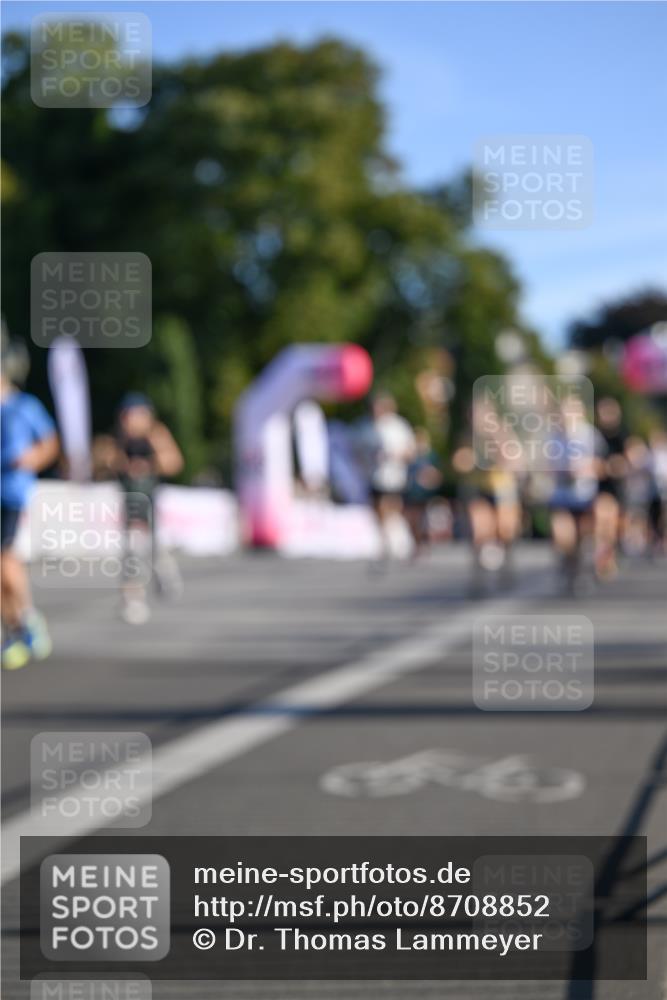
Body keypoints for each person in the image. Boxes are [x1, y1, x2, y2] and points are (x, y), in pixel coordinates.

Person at [1, 332, 59, 669]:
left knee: (6, 560)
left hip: (11, 493)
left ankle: (28, 618)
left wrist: (32, 459)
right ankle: (14, 630)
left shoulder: (24, 406)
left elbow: (50, 444)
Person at [113, 393, 184, 623]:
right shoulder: (120, 439)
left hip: (150, 500)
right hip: (130, 501)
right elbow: (105, 461)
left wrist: (149, 465)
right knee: (132, 550)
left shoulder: (156, 434)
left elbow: (174, 462)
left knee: (155, 547)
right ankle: (133, 599)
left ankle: (164, 574)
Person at [548, 394, 603, 593]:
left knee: (582, 538)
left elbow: (601, 464)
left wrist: (585, 468)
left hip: (583, 492)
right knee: (564, 536)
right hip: (561, 493)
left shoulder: (590, 434)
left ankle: (579, 571)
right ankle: (565, 563)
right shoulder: (553, 435)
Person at [362, 392, 416, 562]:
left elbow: (411, 451)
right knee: (378, 512)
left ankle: (400, 542)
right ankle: (385, 541)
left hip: (394, 476)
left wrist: (395, 456)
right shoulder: (366, 426)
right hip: (373, 476)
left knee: (390, 508)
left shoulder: (399, 426)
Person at [593, 397, 627, 580]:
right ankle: (601, 557)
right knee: (601, 520)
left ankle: (608, 555)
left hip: (616, 489)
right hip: (598, 489)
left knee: (612, 527)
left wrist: (608, 467)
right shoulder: (595, 435)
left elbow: (624, 464)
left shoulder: (622, 436)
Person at [403, 428, 443, 557]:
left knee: (422, 520)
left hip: (425, 494)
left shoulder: (431, 456)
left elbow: (437, 475)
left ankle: (423, 543)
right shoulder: (411, 456)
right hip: (410, 492)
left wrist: (429, 479)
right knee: (410, 520)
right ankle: (416, 543)